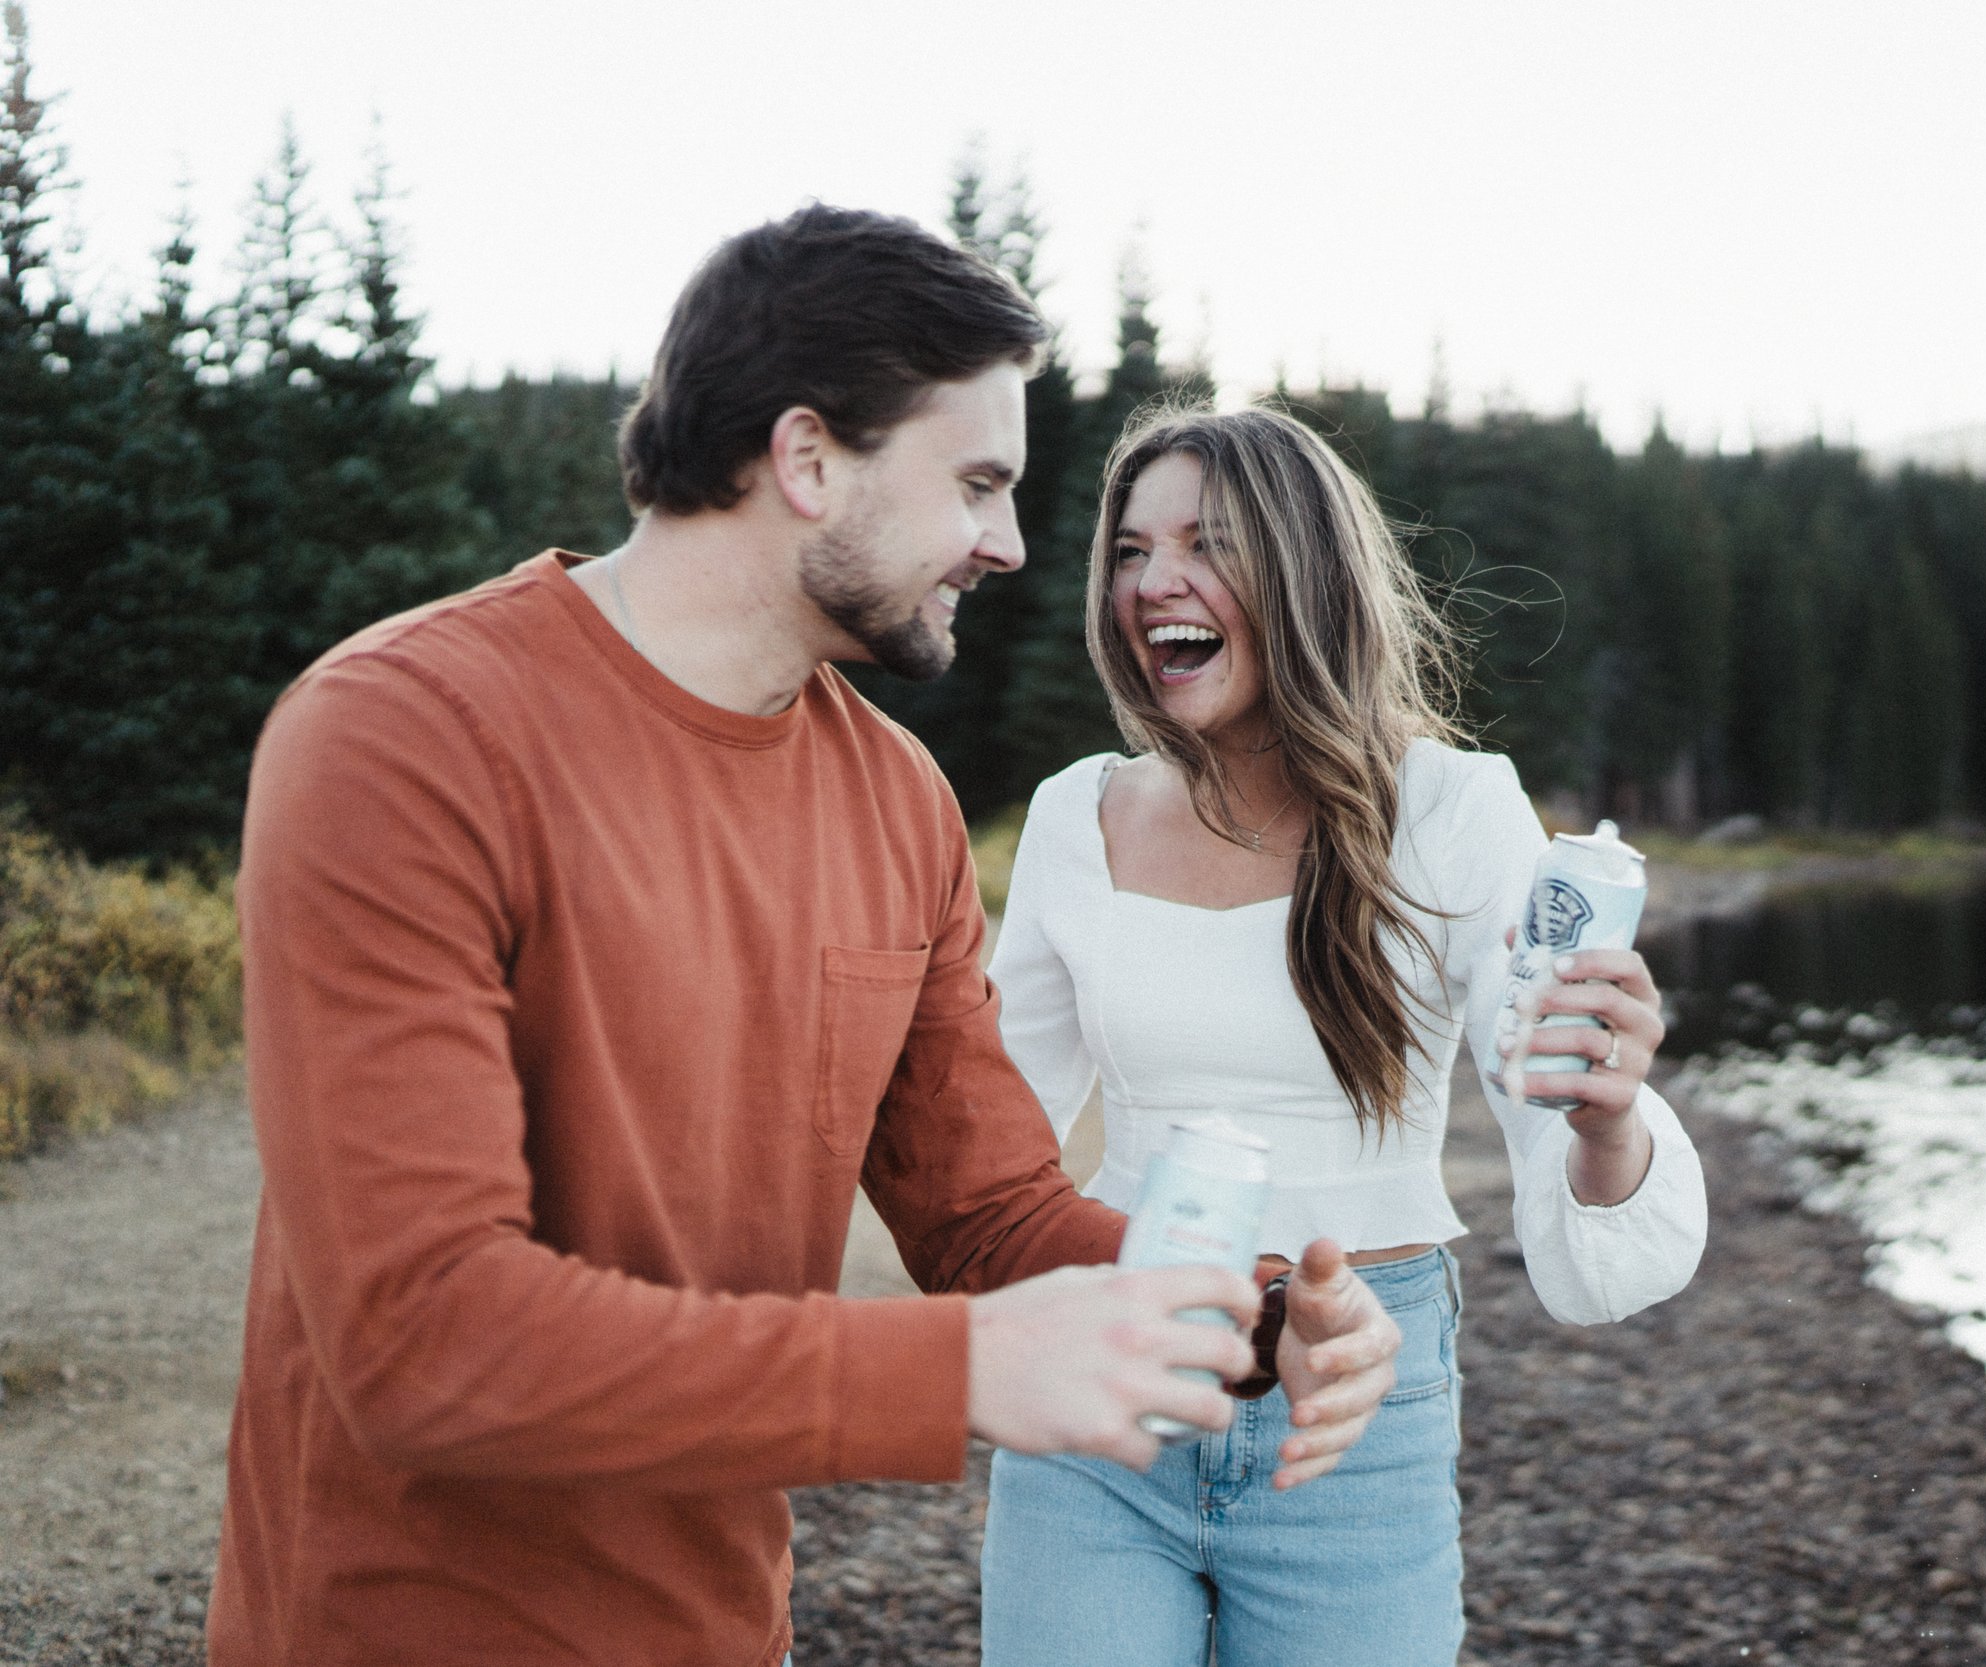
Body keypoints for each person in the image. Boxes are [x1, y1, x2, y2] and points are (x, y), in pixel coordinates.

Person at [208, 207, 1402, 1667]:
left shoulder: (897, 801)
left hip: (726, 1625)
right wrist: (966, 1372)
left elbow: (989, 1214)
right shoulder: (404, 735)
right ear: (809, 456)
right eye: (974, 482)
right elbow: (423, 1340)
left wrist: (1251, 1317)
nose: (1012, 546)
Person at [977, 403, 1710, 1667]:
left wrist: (1604, 1115)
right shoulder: (1071, 815)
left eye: (1205, 543)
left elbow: (1581, 1205)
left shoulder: (1457, 810)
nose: (1154, 583)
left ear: (1305, 571)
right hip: (1111, 1371)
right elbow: (987, 1142)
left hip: (1357, 1402)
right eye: (1129, 550)